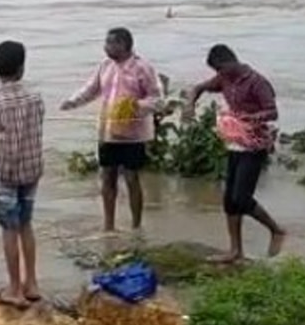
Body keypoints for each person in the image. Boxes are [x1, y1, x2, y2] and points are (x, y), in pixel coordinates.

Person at [184, 44, 287, 263]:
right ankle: (235, 250)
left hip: (254, 145)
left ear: (231, 62)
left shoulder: (257, 82)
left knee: (241, 198)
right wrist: (190, 104)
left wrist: (251, 118)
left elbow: (273, 112)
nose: (218, 75)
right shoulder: (224, 79)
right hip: (234, 143)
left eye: (220, 69)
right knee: (229, 201)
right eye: (216, 72)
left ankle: (276, 230)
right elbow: (197, 88)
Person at [60, 27, 161, 233]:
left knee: (132, 178)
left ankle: (136, 225)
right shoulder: (105, 66)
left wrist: (136, 106)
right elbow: (91, 89)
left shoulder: (143, 68)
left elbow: (158, 99)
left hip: (133, 134)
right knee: (107, 177)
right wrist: (72, 102)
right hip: (108, 132)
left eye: (110, 43)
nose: (106, 47)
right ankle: (108, 225)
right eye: (106, 43)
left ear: (123, 45)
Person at [0, 40, 46, 309]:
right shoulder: (36, 98)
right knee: (26, 224)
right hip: (31, 169)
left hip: (4, 172)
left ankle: (14, 288)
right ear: (22, 68)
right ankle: (32, 283)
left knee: (9, 227)